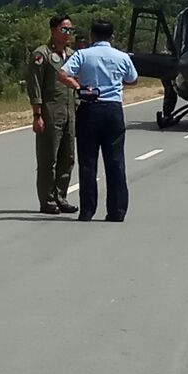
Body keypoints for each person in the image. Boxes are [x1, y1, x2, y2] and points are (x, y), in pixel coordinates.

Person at [58, 19, 138, 222]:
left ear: (92, 35)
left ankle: (87, 211)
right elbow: (133, 79)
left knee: (88, 162)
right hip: (113, 109)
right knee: (115, 161)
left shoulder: (83, 55)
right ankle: (117, 211)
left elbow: (63, 74)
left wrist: (78, 87)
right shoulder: (121, 57)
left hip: (89, 108)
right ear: (112, 36)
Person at [27, 14, 78, 214]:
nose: (68, 34)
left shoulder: (73, 55)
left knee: (68, 157)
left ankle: (61, 196)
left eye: (70, 30)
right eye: (64, 30)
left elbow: (76, 82)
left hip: (69, 111)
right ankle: (47, 200)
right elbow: (35, 85)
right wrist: (37, 114)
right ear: (53, 30)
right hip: (50, 112)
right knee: (49, 158)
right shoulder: (42, 55)